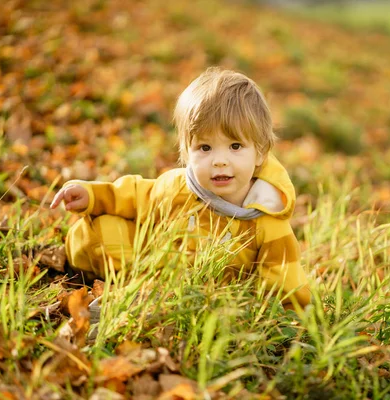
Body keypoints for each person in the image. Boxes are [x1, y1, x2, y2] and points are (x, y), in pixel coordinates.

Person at [50, 67, 311, 310]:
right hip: (156, 266)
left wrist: (285, 315)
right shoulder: (179, 186)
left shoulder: (266, 219)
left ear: (260, 153)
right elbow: (136, 195)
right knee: (95, 230)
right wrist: (92, 195)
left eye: (235, 147)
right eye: (205, 148)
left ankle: (153, 300)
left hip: (213, 297)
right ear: (187, 152)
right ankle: (132, 287)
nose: (220, 160)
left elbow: (284, 277)